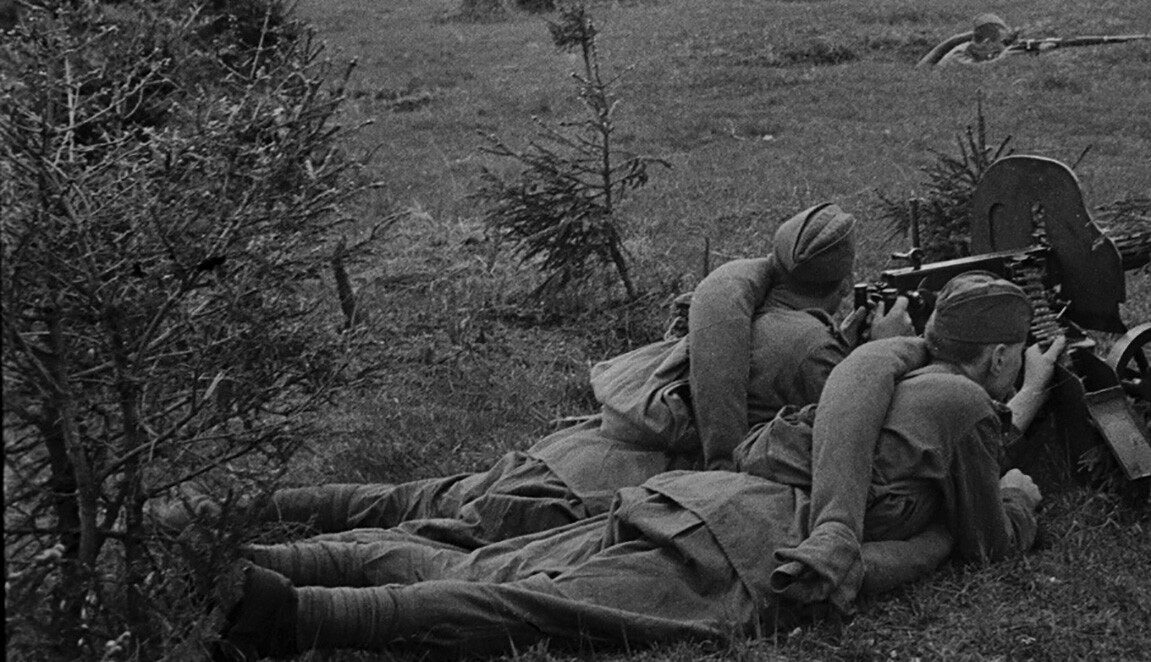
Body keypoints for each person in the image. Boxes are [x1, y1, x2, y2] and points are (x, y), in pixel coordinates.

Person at [210, 273, 1064, 662]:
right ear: (993, 358)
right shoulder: (960, 406)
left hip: (701, 496)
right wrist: (1020, 484)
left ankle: (270, 568)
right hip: (735, 547)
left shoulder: (892, 369)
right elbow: (986, 539)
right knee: (530, 600)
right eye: (1013, 358)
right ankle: (299, 618)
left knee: (491, 559)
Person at [161, 203, 914, 549]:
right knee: (433, 540)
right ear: (844, 281)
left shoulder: (749, 313)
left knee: (400, 497)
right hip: (594, 489)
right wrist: (875, 351)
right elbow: (838, 431)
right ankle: (242, 565)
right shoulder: (815, 354)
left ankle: (191, 517)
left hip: (578, 449)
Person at [918, 13, 1019, 67]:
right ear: (987, 43)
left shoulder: (979, 50)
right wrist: (1003, 58)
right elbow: (973, 69)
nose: (1005, 47)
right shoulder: (958, 54)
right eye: (1004, 42)